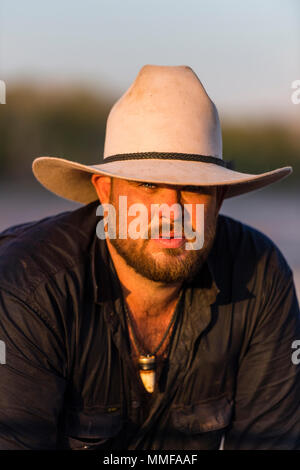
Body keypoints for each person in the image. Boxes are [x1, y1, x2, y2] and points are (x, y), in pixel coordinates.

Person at [0, 65, 299, 450]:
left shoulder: (260, 275)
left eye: (194, 187)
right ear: (105, 193)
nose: (171, 210)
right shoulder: (27, 287)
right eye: (148, 184)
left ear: (219, 198)